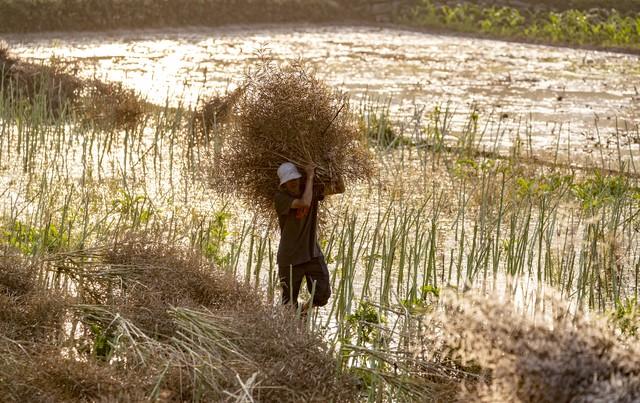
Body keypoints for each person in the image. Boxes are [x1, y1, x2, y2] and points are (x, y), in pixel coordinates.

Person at [274, 161, 344, 313]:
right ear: (284, 185)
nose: (292, 183)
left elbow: (340, 188)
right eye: (288, 181)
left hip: (312, 252)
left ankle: (304, 311)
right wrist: (311, 177)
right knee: (288, 304)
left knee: (322, 294)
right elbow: (304, 203)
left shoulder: (311, 190)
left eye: (294, 179)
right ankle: (292, 328)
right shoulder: (281, 198)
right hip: (290, 257)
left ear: (299, 178)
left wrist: (333, 163)